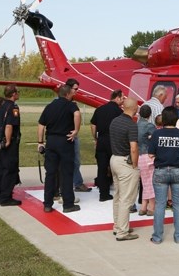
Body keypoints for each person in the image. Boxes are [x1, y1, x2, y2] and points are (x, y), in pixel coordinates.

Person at [148, 107, 179, 244]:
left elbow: (150, 154)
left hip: (161, 170)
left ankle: (157, 237)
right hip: (178, 170)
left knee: (160, 204)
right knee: (178, 204)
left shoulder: (157, 134)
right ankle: (178, 237)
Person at [37, 84, 81, 213]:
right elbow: (77, 115)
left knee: (50, 173)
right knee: (66, 172)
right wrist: (76, 131)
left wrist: (40, 142)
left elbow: (41, 124)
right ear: (67, 94)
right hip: (65, 141)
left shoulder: (49, 106)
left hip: (51, 141)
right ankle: (68, 204)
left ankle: (48, 204)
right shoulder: (71, 105)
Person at [109, 98, 141, 241]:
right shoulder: (131, 124)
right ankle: (122, 231)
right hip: (125, 163)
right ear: (134, 108)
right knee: (126, 199)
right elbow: (134, 148)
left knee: (118, 196)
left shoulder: (115, 121)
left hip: (114, 159)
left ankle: (119, 226)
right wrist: (135, 165)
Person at [91, 89, 124, 201]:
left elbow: (93, 125)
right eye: (122, 98)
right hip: (113, 141)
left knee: (102, 167)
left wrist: (95, 138)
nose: (123, 101)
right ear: (118, 98)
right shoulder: (119, 112)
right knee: (117, 165)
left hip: (101, 139)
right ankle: (119, 191)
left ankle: (103, 193)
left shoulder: (99, 109)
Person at [0, 84, 22, 207]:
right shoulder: (13, 107)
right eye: (17, 92)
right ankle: (6, 198)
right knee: (10, 169)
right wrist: (8, 141)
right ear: (13, 94)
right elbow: (9, 125)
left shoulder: (0, 107)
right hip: (8, 142)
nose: (18, 94)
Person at [65, 78, 91, 193]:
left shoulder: (73, 103)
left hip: (73, 136)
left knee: (76, 161)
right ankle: (63, 186)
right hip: (65, 136)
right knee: (65, 162)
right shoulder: (61, 102)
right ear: (69, 89)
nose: (77, 91)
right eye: (75, 89)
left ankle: (77, 183)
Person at [137, 104, 156, 216]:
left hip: (138, 156)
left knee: (144, 182)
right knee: (151, 182)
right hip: (147, 156)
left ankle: (143, 206)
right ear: (150, 115)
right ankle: (151, 206)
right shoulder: (150, 126)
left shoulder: (135, 125)